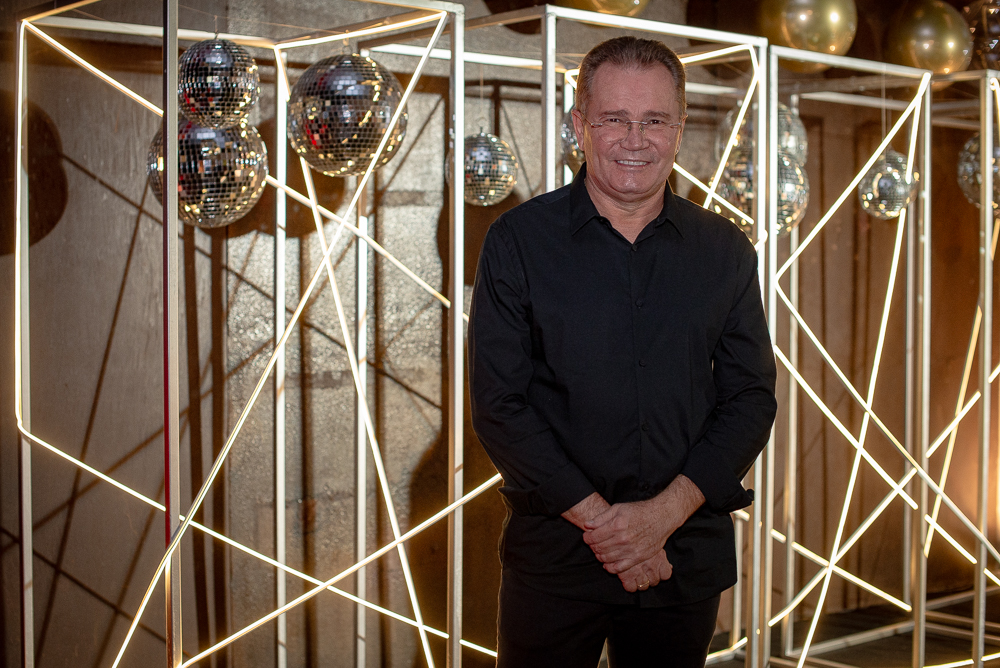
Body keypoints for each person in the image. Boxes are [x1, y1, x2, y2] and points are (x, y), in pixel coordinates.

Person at [468, 36, 777, 668]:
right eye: (614, 118)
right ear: (580, 124)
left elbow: (750, 400)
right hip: (556, 560)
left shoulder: (725, 250)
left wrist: (660, 519)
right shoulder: (518, 241)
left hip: (680, 559)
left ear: (679, 129)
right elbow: (500, 405)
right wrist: (613, 531)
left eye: (654, 120)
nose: (635, 140)